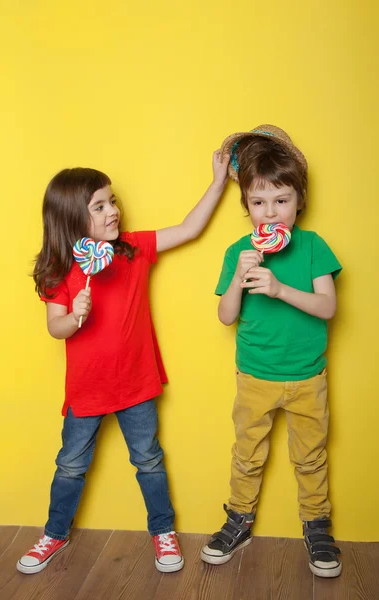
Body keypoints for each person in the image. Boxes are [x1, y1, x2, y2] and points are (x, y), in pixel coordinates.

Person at [17, 150, 230, 575]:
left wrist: (219, 181)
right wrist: (75, 315)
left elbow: (188, 229)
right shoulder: (59, 271)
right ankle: (54, 534)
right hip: (87, 388)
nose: (114, 211)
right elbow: (54, 329)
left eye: (112, 201)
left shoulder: (132, 250)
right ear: (73, 219)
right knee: (70, 465)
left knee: (148, 459)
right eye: (100, 206)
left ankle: (163, 530)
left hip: (135, 383)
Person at [200, 125, 342, 578]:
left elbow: (327, 307)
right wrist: (241, 279)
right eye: (258, 203)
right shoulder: (239, 251)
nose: (270, 213)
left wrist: (280, 288)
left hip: (307, 376)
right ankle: (238, 518)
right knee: (247, 452)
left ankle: (317, 524)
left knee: (311, 454)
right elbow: (225, 316)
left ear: (299, 200)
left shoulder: (314, 246)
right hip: (255, 375)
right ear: (246, 208)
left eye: (281, 201)